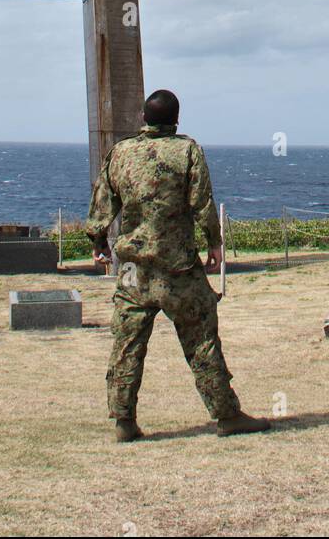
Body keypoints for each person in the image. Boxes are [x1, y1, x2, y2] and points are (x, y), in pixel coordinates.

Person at [85, 88, 271, 442]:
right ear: (176, 120)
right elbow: (202, 201)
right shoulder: (187, 150)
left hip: (133, 271)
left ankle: (123, 421)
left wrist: (99, 244)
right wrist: (214, 243)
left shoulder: (120, 153)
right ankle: (227, 415)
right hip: (178, 267)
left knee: (127, 344)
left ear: (143, 118)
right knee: (201, 339)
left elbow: (102, 203)